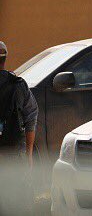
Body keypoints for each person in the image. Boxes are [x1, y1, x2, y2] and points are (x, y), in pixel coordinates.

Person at [0, 41, 38, 215]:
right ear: (5, 59)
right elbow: (31, 115)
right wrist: (29, 153)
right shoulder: (18, 84)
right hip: (14, 150)